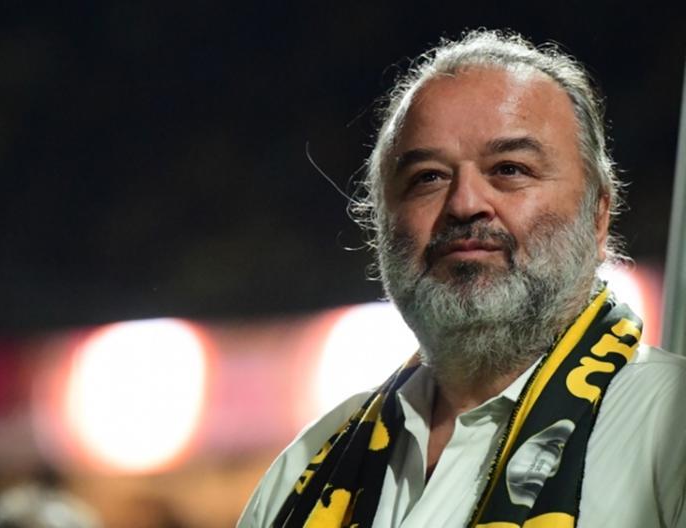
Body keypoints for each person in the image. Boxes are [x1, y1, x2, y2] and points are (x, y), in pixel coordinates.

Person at [238, 29, 686, 528]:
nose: (465, 204)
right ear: (380, 224)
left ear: (598, 216)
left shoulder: (670, 424)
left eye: (510, 169)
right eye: (428, 177)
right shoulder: (304, 468)